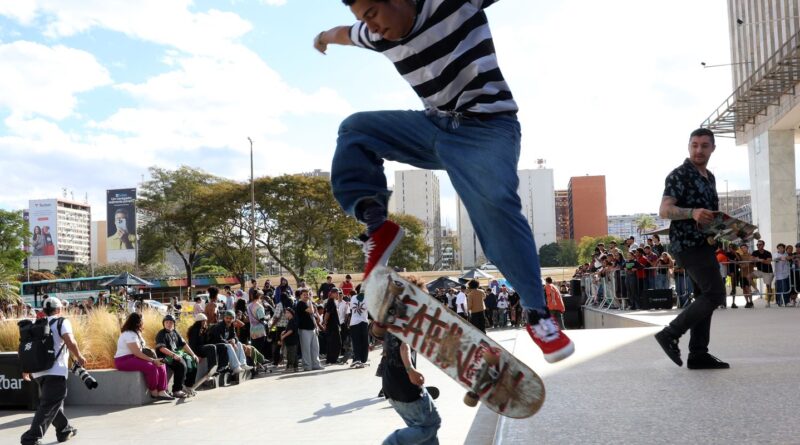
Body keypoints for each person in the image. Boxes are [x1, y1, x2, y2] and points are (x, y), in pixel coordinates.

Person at [314, 0, 573, 364]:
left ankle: (538, 314)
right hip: (436, 127)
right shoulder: (373, 33)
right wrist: (322, 37)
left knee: (494, 206)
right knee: (355, 129)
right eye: (362, 19)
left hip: (488, 129)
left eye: (372, 13)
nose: (371, 27)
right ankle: (376, 225)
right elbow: (342, 33)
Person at [654, 128, 729, 370]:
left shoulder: (710, 177)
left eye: (704, 146)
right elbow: (664, 210)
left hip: (705, 243)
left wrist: (730, 230)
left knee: (704, 296)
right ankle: (670, 333)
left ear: (713, 149)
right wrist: (691, 212)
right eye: (694, 145)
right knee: (715, 293)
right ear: (688, 146)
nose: (699, 150)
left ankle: (698, 354)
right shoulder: (679, 175)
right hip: (687, 244)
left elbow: (710, 216)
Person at [20, 297, 84, 445]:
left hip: (38, 372)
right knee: (49, 403)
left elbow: (25, 348)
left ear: (43, 310)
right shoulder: (62, 321)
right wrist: (79, 356)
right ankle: (31, 438)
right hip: (55, 370)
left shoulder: (37, 324)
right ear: (59, 309)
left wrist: (26, 369)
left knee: (53, 401)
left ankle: (64, 430)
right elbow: (70, 340)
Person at [377, 327, 440, 445]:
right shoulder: (405, 316)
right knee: (430, 426)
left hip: (390, 384)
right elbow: (403, 346)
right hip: (405, 385)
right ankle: (392, 442)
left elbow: (377, 332)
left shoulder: (389, 318)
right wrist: (410, 370)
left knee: (427, 437)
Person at [114, 313, 173, 400]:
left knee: (161, 364)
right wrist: (153, 360)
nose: (143, 322)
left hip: (134, 358)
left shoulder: (136, 333)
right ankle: (154, 391)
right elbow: (137, 352)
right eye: (142, 320)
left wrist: (154, 359)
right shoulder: (128, 334)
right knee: (151, 367)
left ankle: (162, 391)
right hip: (123, 360)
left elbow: (141, 349)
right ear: (138, 322)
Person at [155, 314, 199, 398]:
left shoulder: (175, 332)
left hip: (176, 354)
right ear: (163, 323)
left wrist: (193, 354)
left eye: (171, 322)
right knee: (181, 364)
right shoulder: (161, 334)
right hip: (165, 357)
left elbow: (184, 344)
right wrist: (173, 355)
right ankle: (176, 390)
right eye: (167, 322)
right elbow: (161, 348)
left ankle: (188, 386)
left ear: (174, 324)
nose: (169, 324)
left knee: (192, 361)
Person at [208, 310, 252, 374]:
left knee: (238, 343)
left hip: (225, 344)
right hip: (216, 345)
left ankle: (242, 364)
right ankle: (235, 367)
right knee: (229, 345)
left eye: (231, 318)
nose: (228, 320)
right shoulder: (219, 326)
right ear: (224, 318)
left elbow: (235, 337)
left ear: (233, 319)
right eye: (227, 318)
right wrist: (229, 342)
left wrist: (234, 340)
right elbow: (218, 339)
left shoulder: (231, 326)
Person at [296, 289, 324, 371]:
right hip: (304, 330)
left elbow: (312, 317)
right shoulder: (301, 304)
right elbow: (311, 311)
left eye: (307, 294)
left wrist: (316, 327)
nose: (306, 295)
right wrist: (311, 302)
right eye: (304, 294)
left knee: (315, 348)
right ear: (300, 295)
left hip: (312, 329)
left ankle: (316, 364)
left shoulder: (308, 303)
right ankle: (307, 366)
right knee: (306, 349)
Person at [349, 289, 370, 367]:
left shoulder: (353, 297)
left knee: (356, 342)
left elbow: (351, 308)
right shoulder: (367, 299)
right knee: (364, 342)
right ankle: (362, 360)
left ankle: (357, 359)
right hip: (363, 322)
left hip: (354, 323)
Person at [752, 240, 774, 307]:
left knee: (768, 286)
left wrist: (760, 260)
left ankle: (768, 302)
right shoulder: (755, 252)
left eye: (760, 244)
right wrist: (757, 260)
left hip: (768, 271)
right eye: (757, 245)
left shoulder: (767, 253)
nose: (758, 246)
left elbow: (768, 262)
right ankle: (756, 289)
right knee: (748, 276)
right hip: (760, 271)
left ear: (763, 245)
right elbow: (752, 259)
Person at [323, 289, 342, 365]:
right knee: (336, 343)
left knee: (334, 342)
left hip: (333, 325)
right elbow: (327, 313)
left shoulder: (332, 301)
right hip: (332, 326)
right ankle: (332, 359)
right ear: (332, 294)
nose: (338, 295)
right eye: (337, 293)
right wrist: (324, 322)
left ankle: (332, 359)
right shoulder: (331, 301)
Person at [279, 307, 300, 372]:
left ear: (290, 313)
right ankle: (295, 367)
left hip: (292, 341)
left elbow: (291, 331)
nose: (285, 314)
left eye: (287, 313)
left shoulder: (292, 321)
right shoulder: (291, 321)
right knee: (294, 354)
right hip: (292, 341)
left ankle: (290, 368)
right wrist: (284, 332)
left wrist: (283, 336)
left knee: (291, 354)